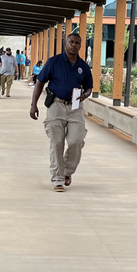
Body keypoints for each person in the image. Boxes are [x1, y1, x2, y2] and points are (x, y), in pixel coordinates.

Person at [30, 32, 92, 192]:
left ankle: (67, 172)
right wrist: (33, 105)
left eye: (77, 43)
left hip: (75, 107)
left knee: (76, 141)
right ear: (66, 43)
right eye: (71, 42)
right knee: (57, 143)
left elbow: (89, 87)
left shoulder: (83, 66)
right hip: (56, 105)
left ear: (80, 45)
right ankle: (57, 179)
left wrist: (83, 95)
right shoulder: (54, 62)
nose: (74, 45)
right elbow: (40, 82)